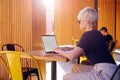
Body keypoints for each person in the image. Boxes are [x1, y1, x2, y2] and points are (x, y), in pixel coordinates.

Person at [54, 7, 119, 80]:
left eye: (79, 20)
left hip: (105, 74)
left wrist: (57, 50)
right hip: (113, 71)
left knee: (66, 77)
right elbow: (86, 48)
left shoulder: (87, 35)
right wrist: (68, 48)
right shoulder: (97, 33)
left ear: (87, 21)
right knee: (75, 68)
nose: (79, 23)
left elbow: (71, 56)